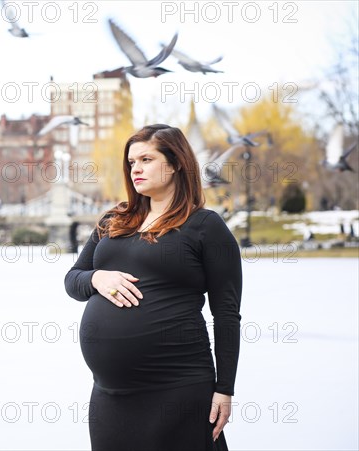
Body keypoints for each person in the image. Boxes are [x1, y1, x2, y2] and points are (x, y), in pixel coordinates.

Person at [64, 124, 242, 450]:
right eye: (131, 162)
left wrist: (225, 388)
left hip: (177, 389)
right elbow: (72, 280)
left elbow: (227, 314)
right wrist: (96, 278)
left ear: (174, 163)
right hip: (110, 396)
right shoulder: (113, 220)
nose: (136, 169)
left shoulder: (205, 226)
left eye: (146, 159)